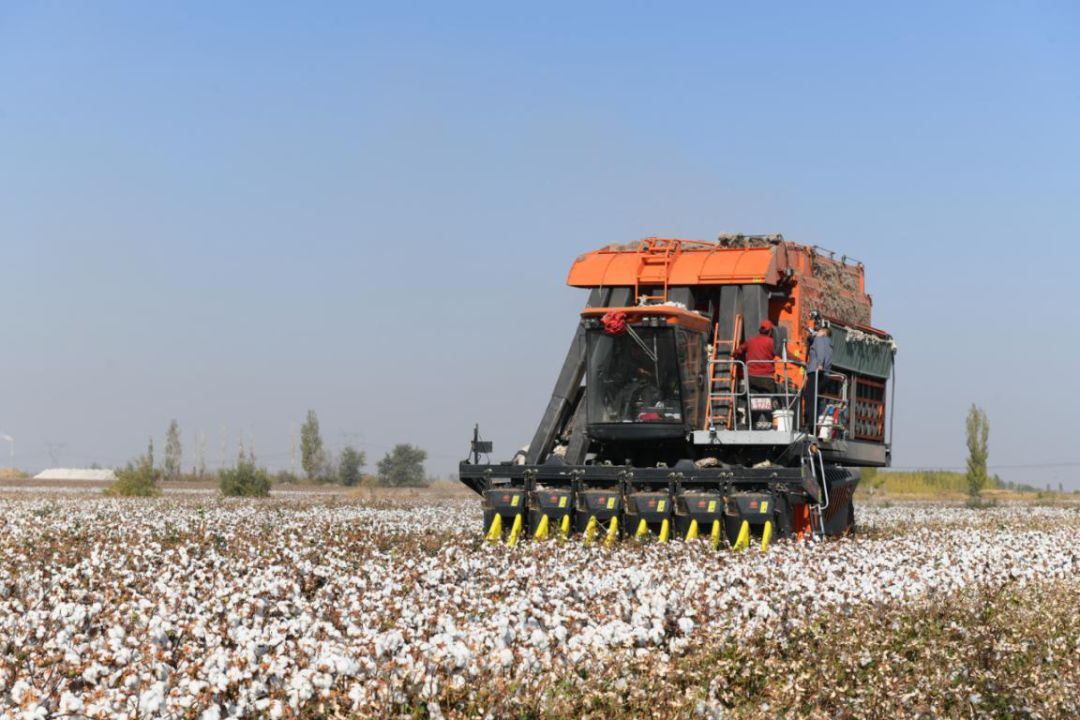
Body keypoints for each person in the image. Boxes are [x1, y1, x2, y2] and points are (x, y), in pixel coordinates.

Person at [734, 320, 778, 428]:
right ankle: (771, 424)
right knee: (771, 400)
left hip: (752, 377)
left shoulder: (750, 341)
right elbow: (782, 352)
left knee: (752, 399)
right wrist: (799, 362)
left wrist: (734, 355)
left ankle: (750, 424)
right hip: (767, 379)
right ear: (770, 331)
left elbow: (738, 351)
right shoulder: (771, 342)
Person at [802, 325, 833, 430]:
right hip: (825, 375)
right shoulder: (829, 344)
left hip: (816, 372)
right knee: (816, 399)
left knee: (810, 397)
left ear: (824, 332)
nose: (817, 332)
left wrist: (819, 364)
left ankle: (810, 425)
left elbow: (820, 353)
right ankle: (814, 424)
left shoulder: (820, 340)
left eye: (819, 330)